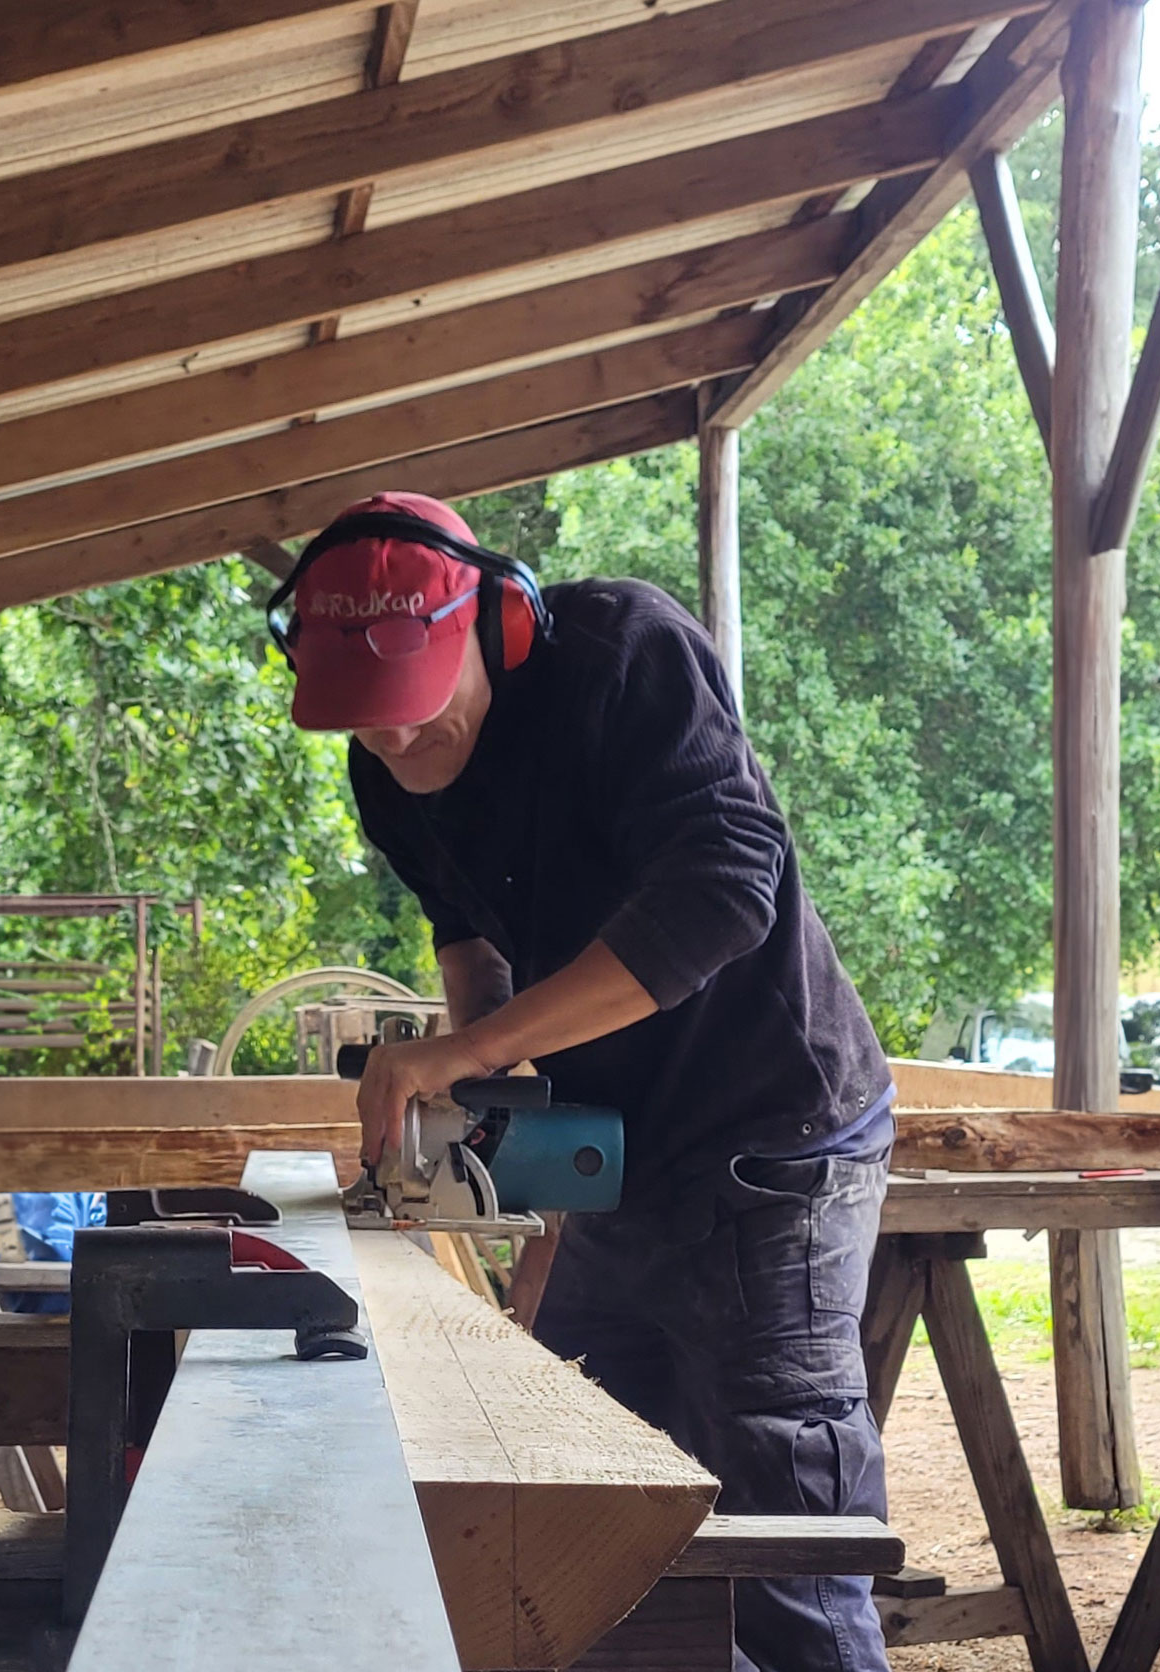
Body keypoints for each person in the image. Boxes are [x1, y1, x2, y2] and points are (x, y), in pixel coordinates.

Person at [269, 491, 894, 1672]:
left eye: (410, 708)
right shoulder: (383, 767)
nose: (393, 743)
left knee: (777, 1531)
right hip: (626, 1144)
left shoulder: (622, 657)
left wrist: (471, 1051)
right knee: (594, 1513)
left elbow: (724, 889)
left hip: (772, 1137)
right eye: (365, 724)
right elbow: (466, 927)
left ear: (494, 624)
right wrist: (506, 1135)